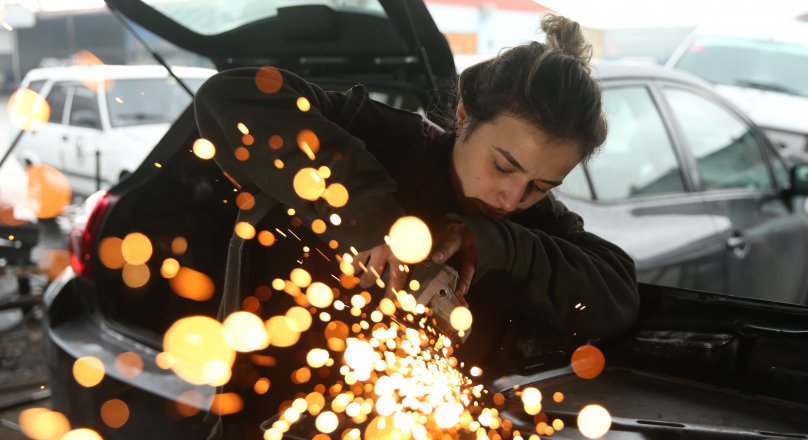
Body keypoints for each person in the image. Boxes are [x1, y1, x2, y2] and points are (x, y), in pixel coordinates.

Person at [194, 12, 638, 437]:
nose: (512, 198)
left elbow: (616, 293)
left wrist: (496, 244)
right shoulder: (380, 138)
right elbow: (229, 97)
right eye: (503, 166)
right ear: (464, 116)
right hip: (265, 417)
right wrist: (370, 215)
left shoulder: (535, 221)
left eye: (541, 184)